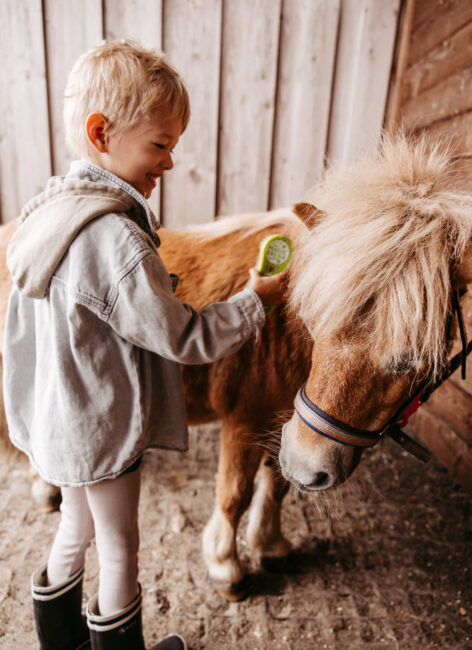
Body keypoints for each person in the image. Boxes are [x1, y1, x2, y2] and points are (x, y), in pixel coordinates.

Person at [3, 40, 286, 650]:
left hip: (56, 425)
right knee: (121, 547)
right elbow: (183, 337)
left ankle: (62, 644)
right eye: (160, 145)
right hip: (100, 433)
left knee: (74, 530)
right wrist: (254, 300)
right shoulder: (118, 243)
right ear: (102, 132)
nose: (171, 161)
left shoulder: (46, 213)